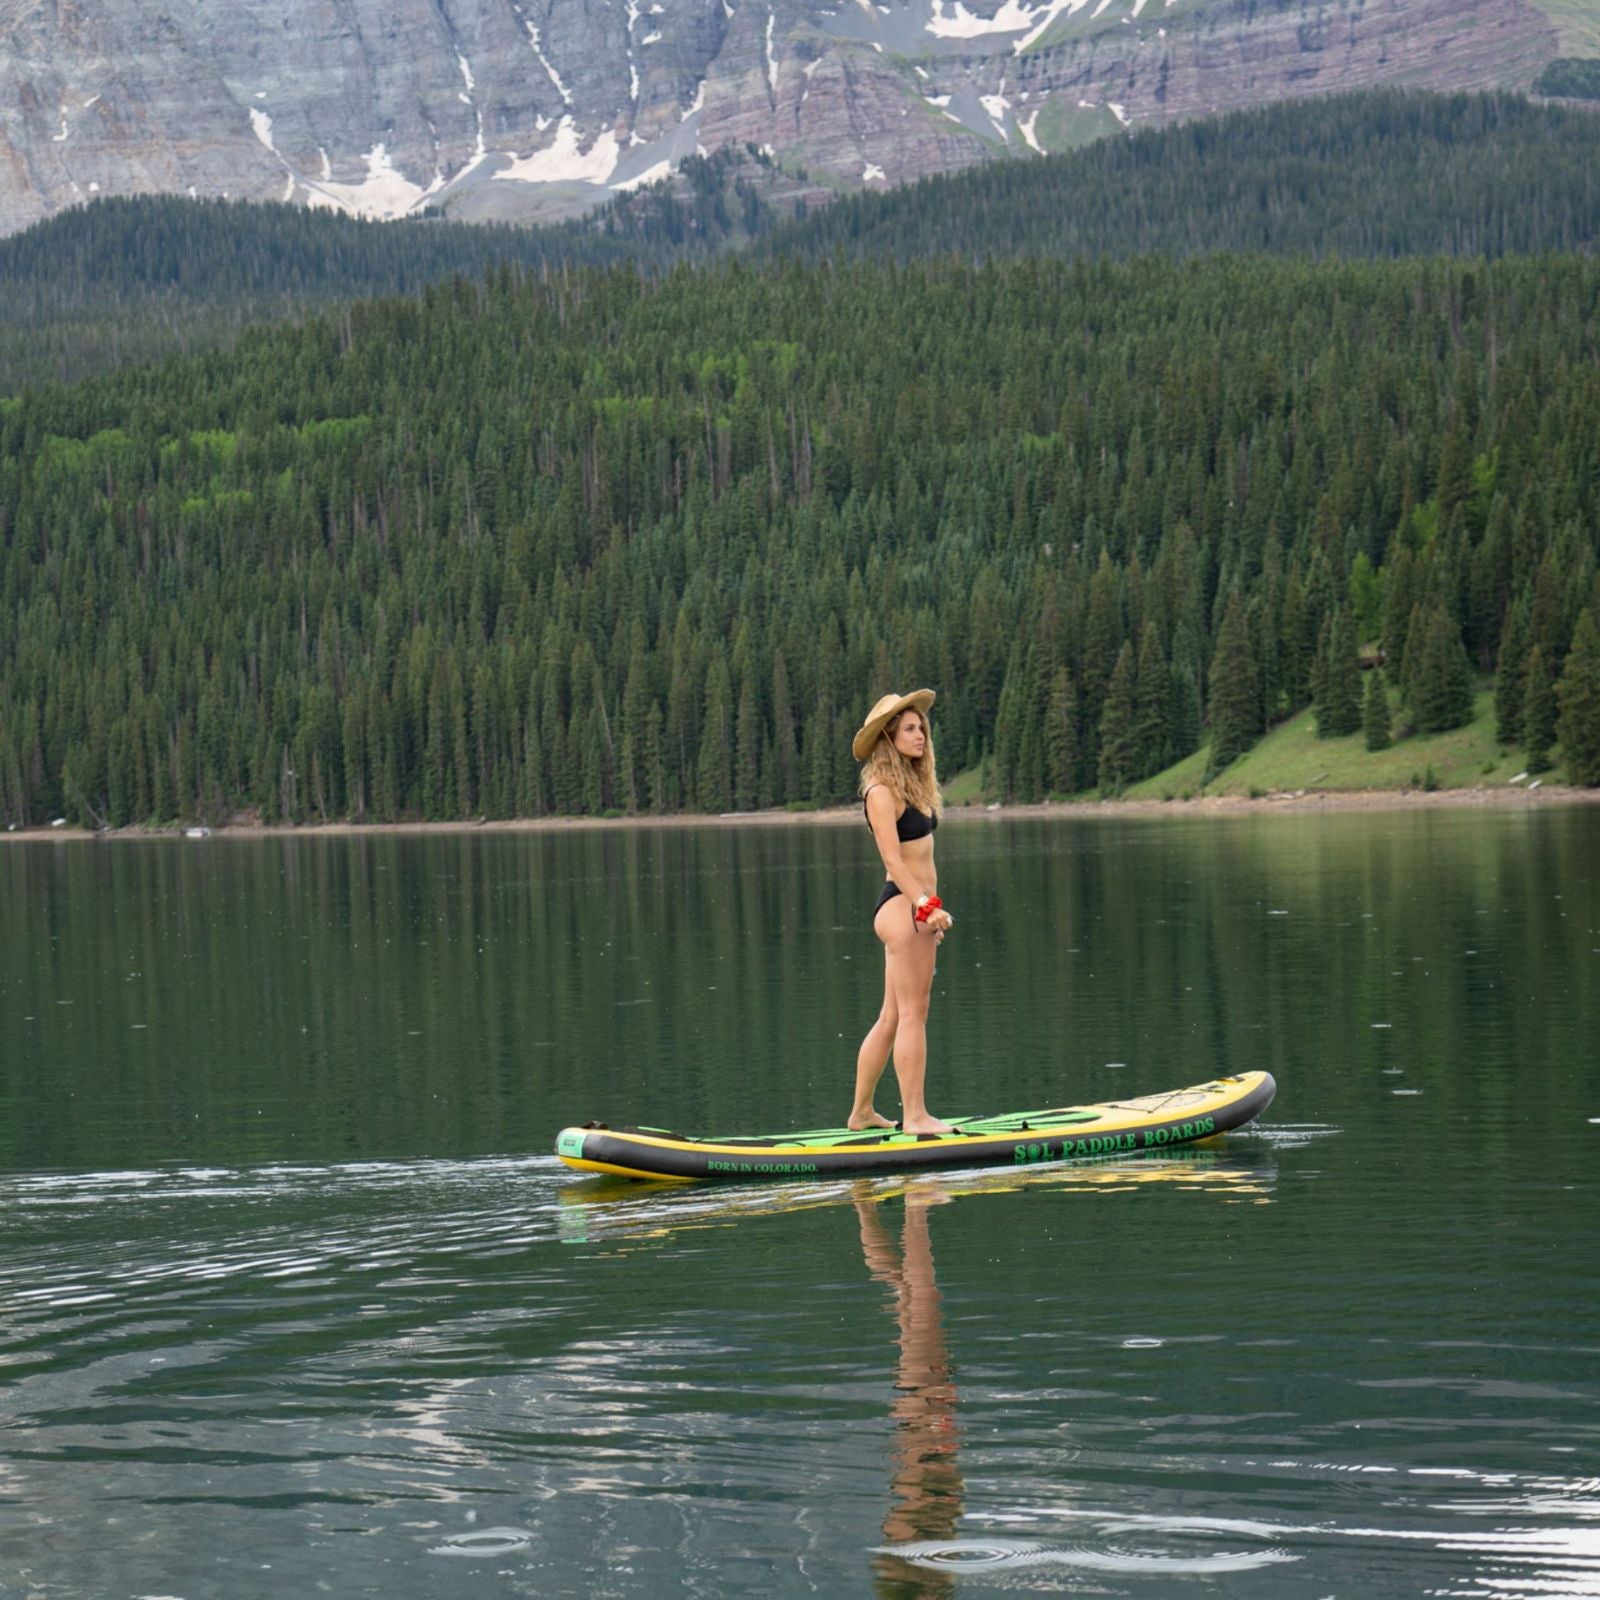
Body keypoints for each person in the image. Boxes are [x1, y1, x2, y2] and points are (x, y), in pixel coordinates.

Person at [849, 690, 956, 1135]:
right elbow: (894, 862)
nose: (921, 735)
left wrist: (928, 909)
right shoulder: (880, 790)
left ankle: (861, 1113)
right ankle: (914, 1116)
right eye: (910, 729)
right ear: (889, 738)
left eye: (922, 728)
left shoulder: (913, 785)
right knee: (915, 1013)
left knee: (893, 1017)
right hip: (902, 905)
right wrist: (927, 906)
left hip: (914, 908)